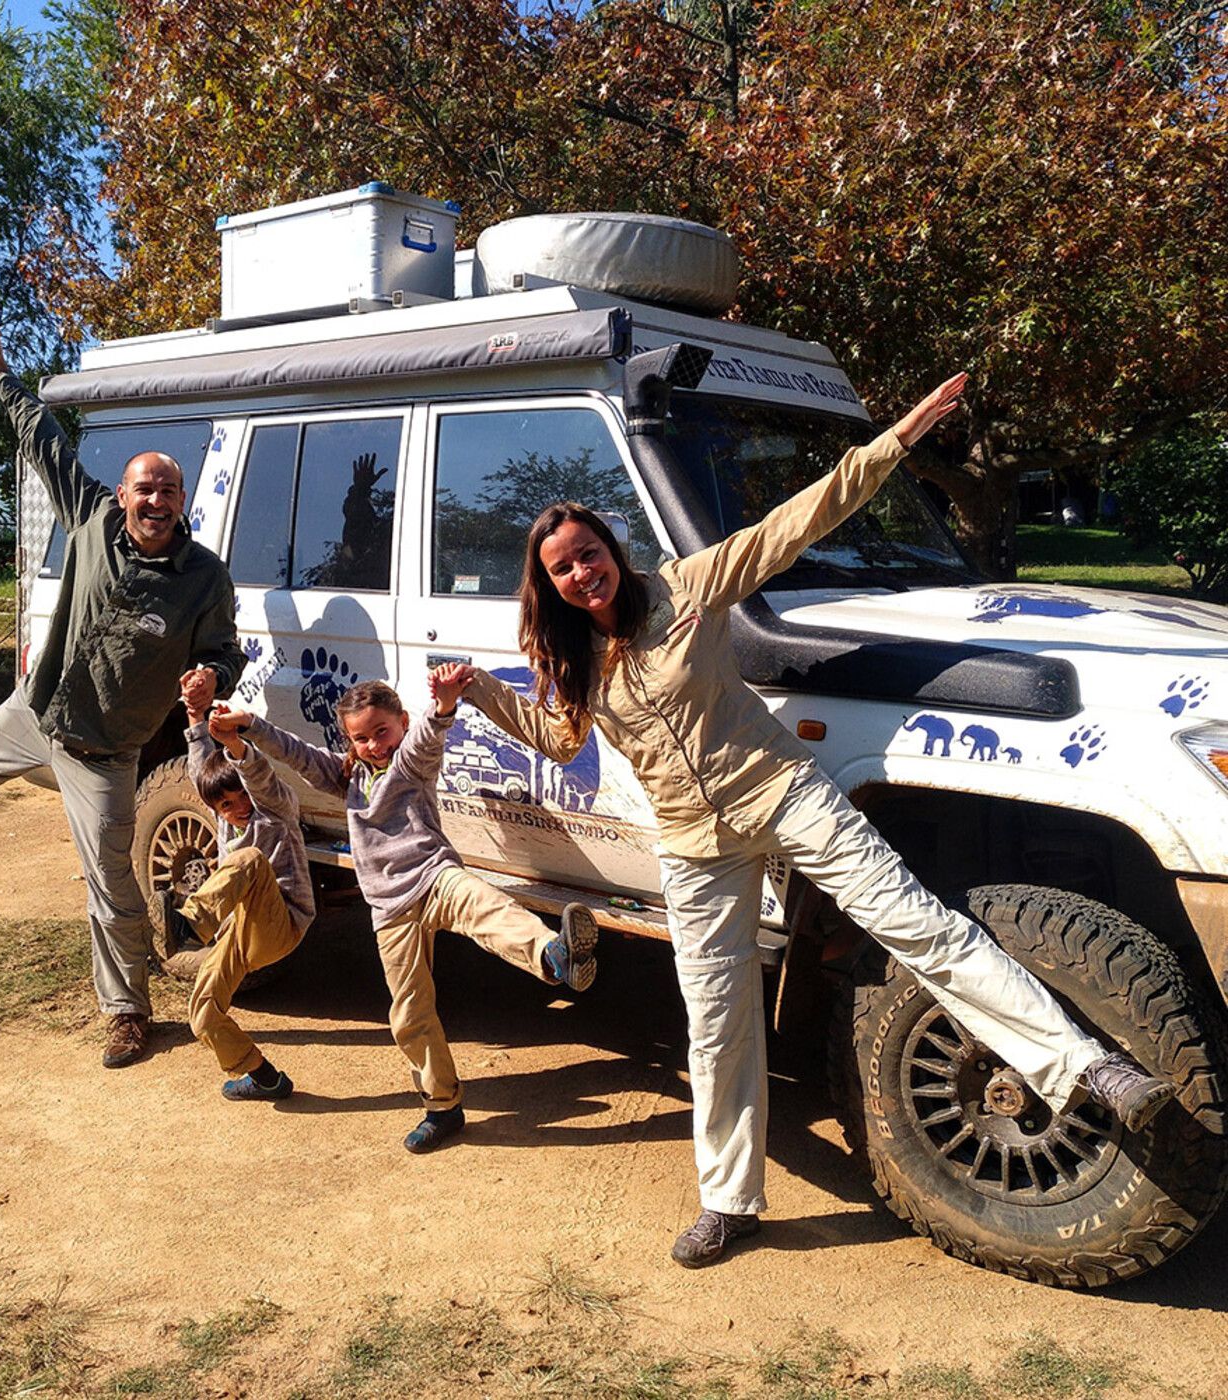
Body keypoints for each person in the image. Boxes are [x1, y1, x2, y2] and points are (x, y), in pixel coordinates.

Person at [456, 371, 1175, 1267]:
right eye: (562, 568)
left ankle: (1083, 1065)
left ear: (612, 546)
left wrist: (898, 439)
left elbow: (799, 519)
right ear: (549, 583)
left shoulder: (686, 588)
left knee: (918, 925)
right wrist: (479, 692)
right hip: (692, 842)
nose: (580, 573)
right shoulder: (576, 658)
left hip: (782, 791)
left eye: (588, 553)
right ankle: (729, 1202)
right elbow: (560, 741)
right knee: (716, 1020)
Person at [0, 311, 245, 1071]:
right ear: (123, 494)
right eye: (145, 488)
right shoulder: (92, 519)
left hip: (106, 751)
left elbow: (222, 651)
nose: (156, 500)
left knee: (112, 886)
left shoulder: (205, 578)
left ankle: (128, 1013)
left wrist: (212, 677)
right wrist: (3, 377)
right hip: (39, 710)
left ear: (183, 500)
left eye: (168, 490)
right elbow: (44, 441)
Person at [212, 665, 600, 1152]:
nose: (375, 745)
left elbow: (428, 739)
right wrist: (249, 725)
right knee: (410, 1014)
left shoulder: (411, 763)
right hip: (389, 908)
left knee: (486, 906)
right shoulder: (346, 777)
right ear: (350, 742)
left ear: (402, 723)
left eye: (383, 732)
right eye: (362, 738)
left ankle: (553, 954)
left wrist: (444, 706)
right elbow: (296, 753)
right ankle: (442, 1107)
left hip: (434, 877)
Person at [145, 674, 319, 1101]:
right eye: (226, 805)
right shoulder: (225, 819)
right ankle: (263, 1077)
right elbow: (200, 768)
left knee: (249, 860)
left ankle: (189, 924)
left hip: (281, 924)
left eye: (241, 797)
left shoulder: (273, 810)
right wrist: (194, 714)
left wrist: (236, 746)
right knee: (202, 1013)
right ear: (216, 809)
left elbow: (257, 777)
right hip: (238, 932)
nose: (239, 808)